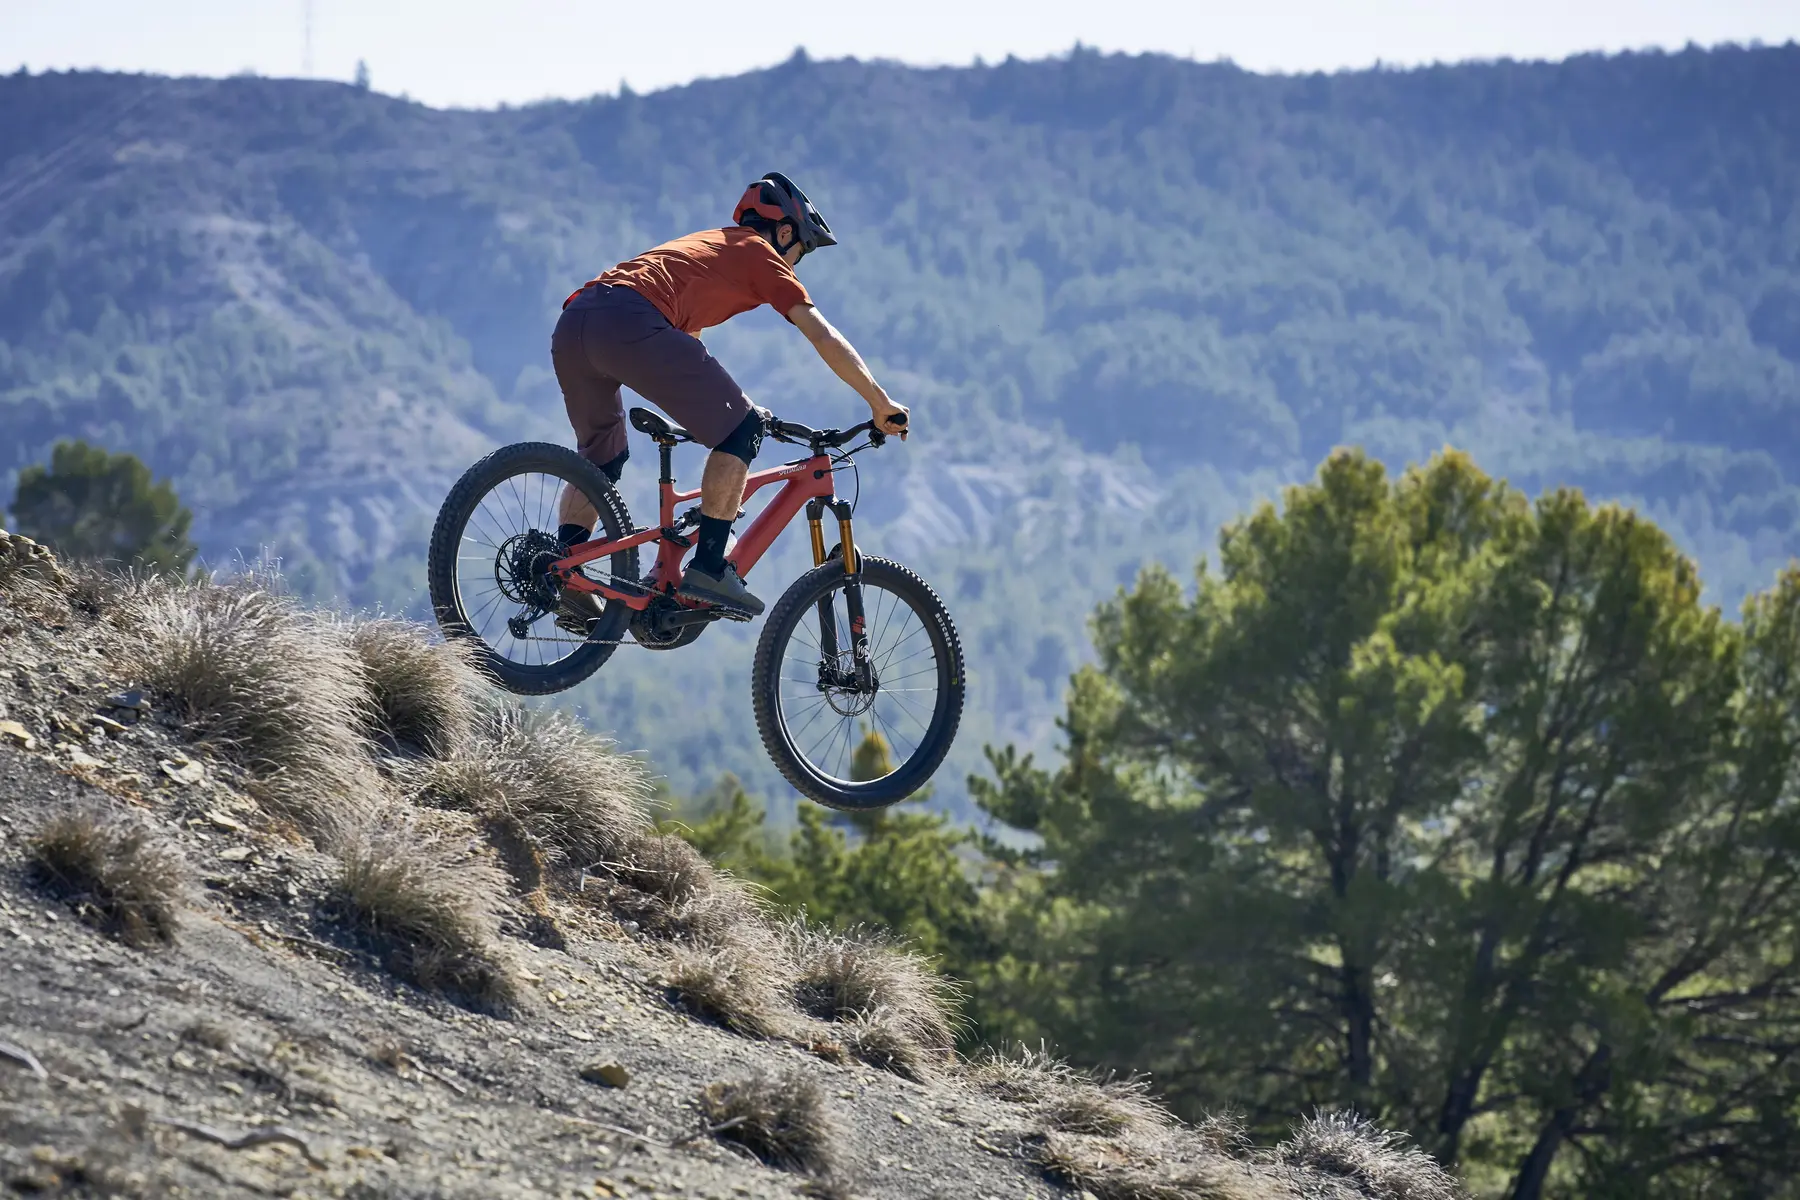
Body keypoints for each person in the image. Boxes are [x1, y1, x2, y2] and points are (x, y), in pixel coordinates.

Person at [550, 171, 909, 624]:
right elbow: (821, 333)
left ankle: (562, 570)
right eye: (800, 252)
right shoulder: (759, 253)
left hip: (576, 322)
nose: (795, 267)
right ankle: (710, 568)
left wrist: (724, 413)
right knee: (742, 430)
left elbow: (687, 350)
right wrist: (879, 401)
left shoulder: (708, 248)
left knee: (603, 461)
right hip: (627, 319)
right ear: (783, 232)